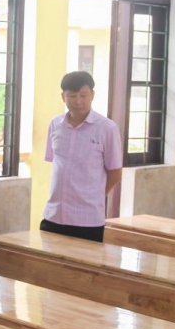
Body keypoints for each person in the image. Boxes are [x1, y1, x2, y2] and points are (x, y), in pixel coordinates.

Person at [40, 71, 122, 243]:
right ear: (63, 97)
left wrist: (96, 195)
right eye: (72, 96)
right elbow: (57, 166)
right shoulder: (55, 125)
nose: (78, 101)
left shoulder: (107, 128)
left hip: (87, 220)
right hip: (54, 215)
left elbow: (115, 173)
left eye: (83, 95)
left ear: (92, 95)